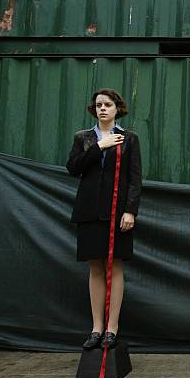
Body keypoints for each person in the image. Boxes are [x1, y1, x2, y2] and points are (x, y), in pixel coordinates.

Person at [66, 88, 142, 350]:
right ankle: (97, 327)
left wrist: (130, 210)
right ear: (93, 109)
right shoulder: (83, 138)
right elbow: (73, 167)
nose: (102, 109)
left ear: (117, 108)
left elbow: (134, 179)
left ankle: (112, 328)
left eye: (108, 104)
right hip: (89, 212)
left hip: (117, 213)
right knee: (95, 268)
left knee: (115, 267)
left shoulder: (129, 139)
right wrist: (99, 146)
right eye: (98, 105)